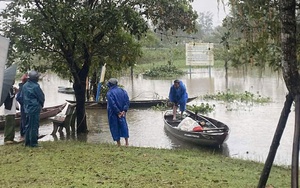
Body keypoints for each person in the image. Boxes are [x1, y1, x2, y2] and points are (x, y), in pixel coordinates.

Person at [22, 70, 45, 147]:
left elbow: (22, 97)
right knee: (34, 126)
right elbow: (41, 97)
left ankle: (27, 142)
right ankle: (34, 143)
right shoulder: (36, 86)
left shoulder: (24, 86)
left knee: (28, 126)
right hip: (34, 108)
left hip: (27, 108)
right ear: (35, 78)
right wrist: (40, 105)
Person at [106, 78, 130, 146]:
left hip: (113, 113)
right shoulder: (123, 91)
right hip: (122, 113)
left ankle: (118, 143)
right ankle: (127, 143)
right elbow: (127, 101)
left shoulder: (109, 93)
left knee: (114, 127)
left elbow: (112, 104)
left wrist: (118, 112)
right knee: (124, 126)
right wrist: (124, 111)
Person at [16, 73, 28, 141]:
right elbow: (18, 98)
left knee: (23, 120)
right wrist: (24, 103)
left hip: (25, 106)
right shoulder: (23, 87)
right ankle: (24, 134)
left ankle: (23, 134)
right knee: (24, 120)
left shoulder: (23, 87)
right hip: (24, 106)